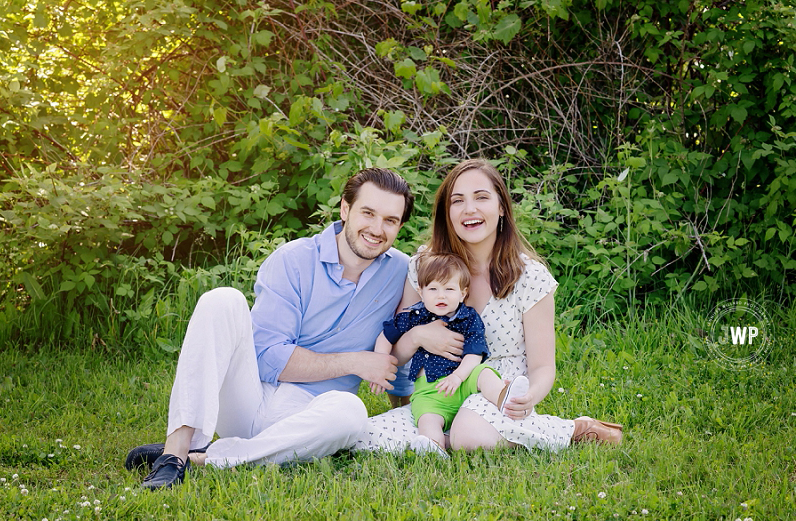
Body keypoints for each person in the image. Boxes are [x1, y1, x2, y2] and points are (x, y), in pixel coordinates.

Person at [124, 168, 415, 489]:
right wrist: (356, 362)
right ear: (345, 209)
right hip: (251, 399)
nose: (377, 229)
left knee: (351, 413)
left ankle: (206, 458)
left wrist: (404, 411)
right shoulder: (294, 260)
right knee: (222, 300)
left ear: (400, 225)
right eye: (368, 213)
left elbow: (401, 336)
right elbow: (268, 358)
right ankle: (174, 455)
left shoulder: (401, 271)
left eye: (390, 220)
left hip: (312, 414)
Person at [354, 158, 622, 453]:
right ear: (448, 213)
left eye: (481, 197)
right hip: (438, 390)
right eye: (458, 201)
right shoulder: (425, 268)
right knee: (364, 437)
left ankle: (573, 429)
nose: (470, 209)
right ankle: (443, 439)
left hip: (496, 396)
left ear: (501, 207)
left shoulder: (530, 277)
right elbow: (398, 354)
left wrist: (527, 399)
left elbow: (543, 366)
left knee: (470, 436)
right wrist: (418, 336)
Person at [370, 252, 530, 457]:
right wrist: (379, 364)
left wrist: (458, 376)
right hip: (429, 392)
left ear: (463, 293)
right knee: (427, 419)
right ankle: (435, 445)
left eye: (449, 289)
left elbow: (474, 354)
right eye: (433, 289)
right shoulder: (413, 316)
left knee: (483, 372)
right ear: (421, 291)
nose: (441, 295)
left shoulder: (468, 318)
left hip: (464, 384)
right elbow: (385, 336)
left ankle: (503, 398)